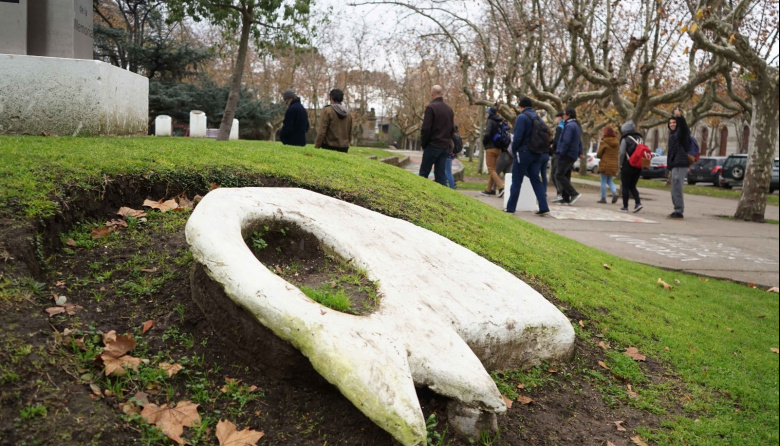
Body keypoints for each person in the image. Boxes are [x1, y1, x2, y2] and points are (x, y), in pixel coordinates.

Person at [504, 97, 550, 216]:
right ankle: (543, 206)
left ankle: (510, 207)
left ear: (521, 107)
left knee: (517, 180)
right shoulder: (538, 118)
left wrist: (514, 150)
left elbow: (518, 137)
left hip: (523, 153)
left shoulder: (522, 117)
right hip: (537, 153)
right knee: (536, 180)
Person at [419, 85, 455, 186]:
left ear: (432, 94)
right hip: (444, 146)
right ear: (442, 93)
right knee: (440, 175)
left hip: (433, 145)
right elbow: (452, 129)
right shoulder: (449, 109)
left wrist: (424, 143)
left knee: (424, 173)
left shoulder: (431, 108)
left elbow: (426, 128)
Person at [554, 107, 583, 205]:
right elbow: (579, 141)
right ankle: (565, 198)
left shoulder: (570, 126)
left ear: (569, 115)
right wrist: (580, 151)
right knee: (565, 175)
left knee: (559, 174)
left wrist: (561, 152)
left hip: (566, 154)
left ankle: (573, 193)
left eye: (564, 114)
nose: (563, 116)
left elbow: (566, 141)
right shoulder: (575, 125)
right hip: (572, 154)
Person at [667, 107, 691, 219]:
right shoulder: (672, 135)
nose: (672, 124)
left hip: (681, 162)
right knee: (674, 188)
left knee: (677, 185)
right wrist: (669, 165)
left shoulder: (680, 133)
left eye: (674, 122)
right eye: (670, 123)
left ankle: (679, 211)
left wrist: (679, 117)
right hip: (675, 163)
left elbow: (684, 128)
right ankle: (676, 209)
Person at [314, 88, 353, 153]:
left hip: (328, 146)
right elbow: (350, 132)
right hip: (344, 147)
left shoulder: (327, 110)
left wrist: (317, 146)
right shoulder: (348, 113)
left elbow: (322, 131)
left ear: (331, 98)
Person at [618, 120, 644, 212]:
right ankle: (638, 203)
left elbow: (622, 153)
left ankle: (625, 207)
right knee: (633, 186)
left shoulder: (625, 139)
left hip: (628, 164)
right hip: (638, 165)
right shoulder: (640, 138)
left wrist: (620, 164)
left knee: (625, 186)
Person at [480, 107, 506, 197]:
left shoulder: (490, 121)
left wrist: (484, 143)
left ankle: (501, 187)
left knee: (490, 169)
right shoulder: (500, 121)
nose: (487, 114)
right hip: (498, 148)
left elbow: (487, 134)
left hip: (490, 148)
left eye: (488, 113)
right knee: (493, 170)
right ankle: (489, 190)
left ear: (490, 113)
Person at [596, 126, 619, 203]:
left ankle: (603, 198)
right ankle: (614, 192)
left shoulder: (604, 142)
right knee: (609, 180)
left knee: (603, 181)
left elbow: (599, 154)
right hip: (613, 164)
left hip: (605, 164)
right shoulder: (617, 142)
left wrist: (599, 155)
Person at [549, 113, 565, 202]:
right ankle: (562, 193)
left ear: (559, 118)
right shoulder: (566, 126)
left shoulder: (560, 127)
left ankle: (560, 193)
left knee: (554, 174)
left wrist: (553, 145)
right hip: (563, 154)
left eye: (556, 118)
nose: (555, 120)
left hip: (557, 153)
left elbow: (557, 140)